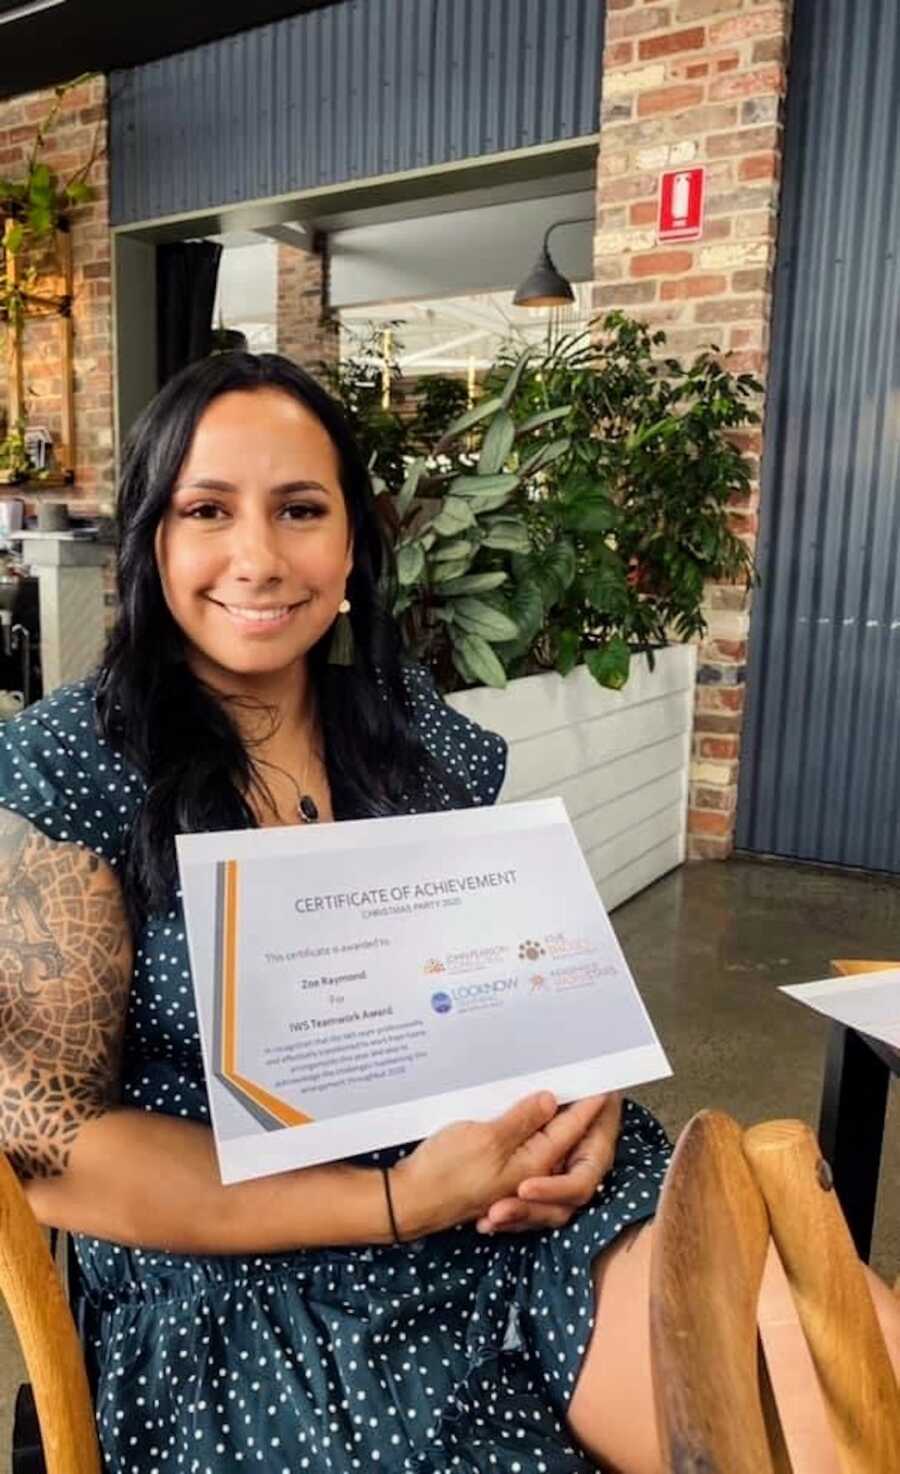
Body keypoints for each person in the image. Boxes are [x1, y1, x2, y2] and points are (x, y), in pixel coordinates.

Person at [0, 353, 895, 1474]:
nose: (260, 558)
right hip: (249, 1265)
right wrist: (390, 1200)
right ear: (151, 539)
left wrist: (578, 1108)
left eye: (301, 509)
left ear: (353, 544)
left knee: (827, 1370)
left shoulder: (400, 721)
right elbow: (51, 1146)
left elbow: (507, 981)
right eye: (208, 510)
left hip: (496, 1197)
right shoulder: (76, 761)